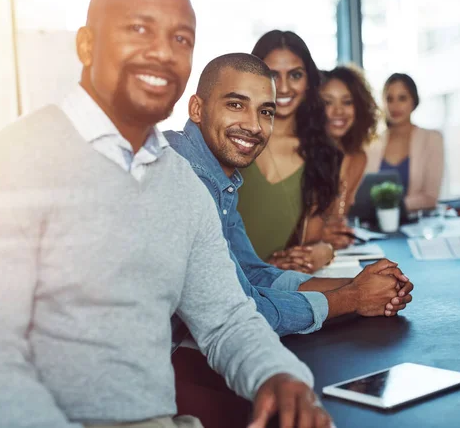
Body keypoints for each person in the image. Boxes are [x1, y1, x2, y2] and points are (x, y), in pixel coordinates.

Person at [0, 0, 332, 428]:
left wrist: (279, 376)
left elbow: (227, 318)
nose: (164, 52)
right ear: (87, 45)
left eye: (181, 38)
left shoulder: (180, 184)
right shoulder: (9, 165)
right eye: (139, 29)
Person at [165, 53, 413, 428]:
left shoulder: (219, 179)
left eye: (265, 111)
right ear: (197, 108)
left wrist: (362, 286)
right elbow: (245, 307)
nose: (253, 125)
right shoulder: (185, 179)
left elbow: (253, 272)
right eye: (236, 105)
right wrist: (353, 298)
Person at [237, 30, 340, 273]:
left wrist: (324, 251)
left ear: (309, 81)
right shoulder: (231, 139)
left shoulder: (323, 154)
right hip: (220, 283)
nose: (283, 87)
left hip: (276, 289)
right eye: (272, 74)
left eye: (295, 75)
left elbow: (309, 243)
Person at [320, 65, 379, 249]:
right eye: (328, 103)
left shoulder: (358, 158)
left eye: (347, 102)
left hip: (334, 253)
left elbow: (338, 220)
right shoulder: (300, 155)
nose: (339, 111)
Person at [365, 73, 444, 211]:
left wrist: (392, 207)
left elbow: (431, 197)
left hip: (417, 226)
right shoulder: (371, 143)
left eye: (402, 98)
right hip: (374, 227)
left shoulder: (432, 139)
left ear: (413, 101)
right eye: (390, 99)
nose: (395, 106)